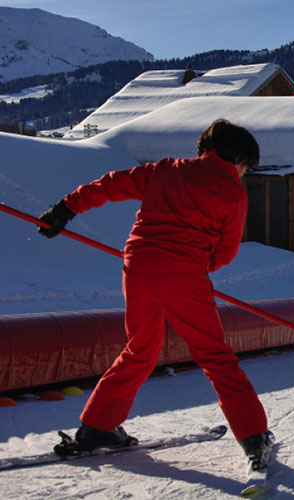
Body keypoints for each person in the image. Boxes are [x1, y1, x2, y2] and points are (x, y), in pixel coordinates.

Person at [37, 119, 273, 469]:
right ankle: (253, 436)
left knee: (140, 349)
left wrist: (65, 209)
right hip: (184, 276)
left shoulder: (165, 170)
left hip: (138, 269)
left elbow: (110, 184)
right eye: (246, 167)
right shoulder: (233, 193)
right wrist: (197, 263)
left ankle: (97, 426)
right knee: (215, 356)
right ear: (237, 159)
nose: (243, 173)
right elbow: (226, 252)